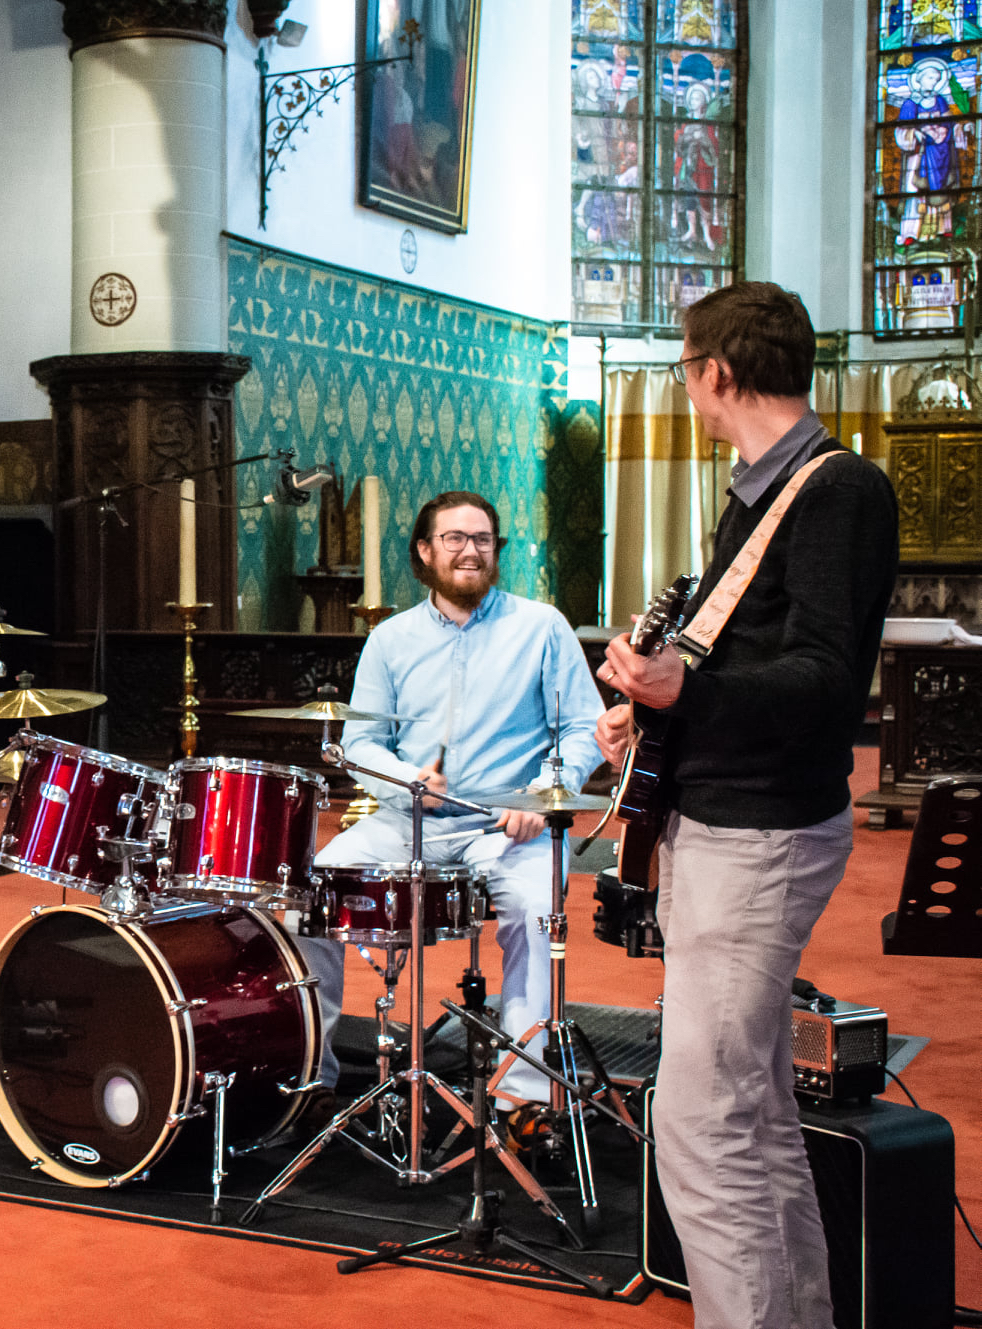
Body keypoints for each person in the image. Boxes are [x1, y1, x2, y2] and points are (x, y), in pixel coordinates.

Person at [598, 281, 897, 1329]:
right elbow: (733, 657)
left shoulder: (835, 491)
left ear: (712, 372)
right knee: (756, 1114)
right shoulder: (758, 492)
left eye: (683, 367)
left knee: (700, 1122)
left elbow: (824, 680)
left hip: (759, 837)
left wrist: (691, 691)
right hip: (718, 824)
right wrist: (650, 705)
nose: (685, 386)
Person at [298, 491, 604, 1110]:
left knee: (535, 907)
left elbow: (581, 728)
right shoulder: (389, 640)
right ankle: (313, 1073)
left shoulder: (542, 626)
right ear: (424, 552)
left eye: (483, 539)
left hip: (509, 826)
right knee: (309, 893)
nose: (470, 550)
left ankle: (524, 1096)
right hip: (409, 819)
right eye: (455, 539)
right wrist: (408, 782)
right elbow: (361, 741)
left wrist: (543, 798)